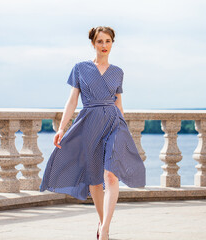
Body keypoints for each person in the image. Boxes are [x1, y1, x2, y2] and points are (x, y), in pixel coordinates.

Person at [39, 26, 146, 240]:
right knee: (95, 179)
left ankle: (104, 230)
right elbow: (72, 101)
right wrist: (61, 128)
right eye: (100, 41)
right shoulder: (80, 68)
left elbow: (119, 103)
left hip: (114, 123)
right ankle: (102, 221)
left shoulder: (118, 72)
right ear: (93, 44)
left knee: (111, 175)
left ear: (112, 43)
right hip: (90, 123)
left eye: (108, 41)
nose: (104, 45)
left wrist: (124, 131)